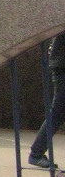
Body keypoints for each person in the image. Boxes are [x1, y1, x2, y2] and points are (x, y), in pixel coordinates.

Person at [30, 33, 65, 169]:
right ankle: (36, 153)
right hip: (62, 67)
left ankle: (36, 153)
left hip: (60, 64)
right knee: (57, 113)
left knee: (57, 113)